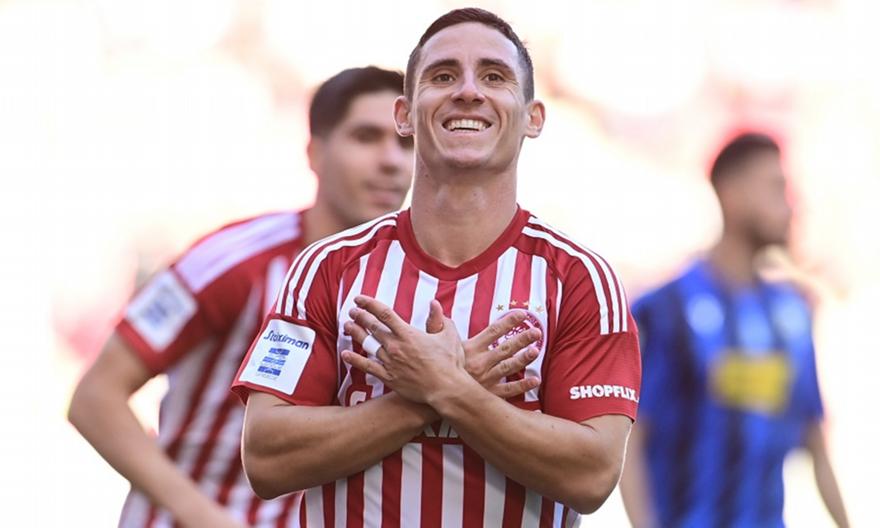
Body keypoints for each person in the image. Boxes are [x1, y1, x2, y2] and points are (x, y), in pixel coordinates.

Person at [232, 8, 641, 527]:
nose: (468, 92)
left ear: (533, 117)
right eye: (443, 76)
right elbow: (266, 458)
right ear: (404, 115)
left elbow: (592, 476)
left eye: (494, 76)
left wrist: (446, 387)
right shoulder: (327, 267)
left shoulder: (582, 279)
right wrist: (437, 391)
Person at [68, 66, 416, 528]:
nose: (391, 161)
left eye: (406, 143)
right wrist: (207, 518)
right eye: (366, 137)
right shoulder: (232, 261)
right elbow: (95, 397)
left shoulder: (412, 283)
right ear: (314, 153)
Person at [619, 132, 850, 527]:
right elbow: (633, 437)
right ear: (732, 193)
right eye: (776, 187)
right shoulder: (665, 310)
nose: (790, 205)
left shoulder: (793, 313)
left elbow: (815, 439)